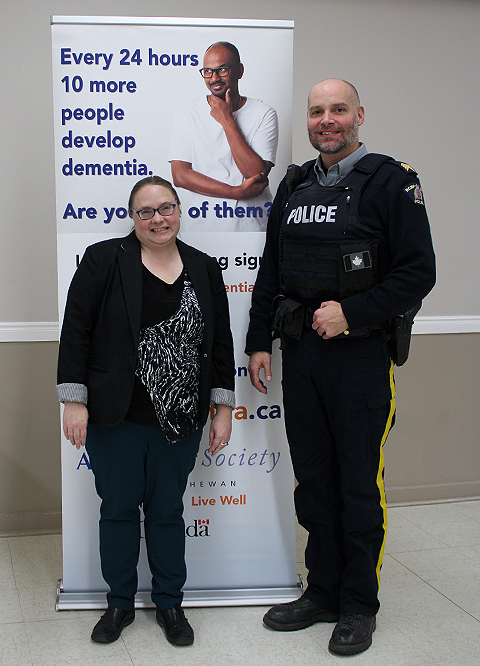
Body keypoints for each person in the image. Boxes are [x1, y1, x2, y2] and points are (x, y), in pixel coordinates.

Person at [245, 79, 435, 656]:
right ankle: (322, 589)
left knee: (357, 484)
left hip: (359, 361)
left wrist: (351, 313)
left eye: (339, 110)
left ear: (358, 115)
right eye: (317, 111)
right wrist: (259, 343)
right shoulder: (297, 183)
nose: (328, 120)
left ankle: (358, 604)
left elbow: (417, 272)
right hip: (301, 359)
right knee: (315, 481)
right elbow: (271, 271)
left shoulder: (391, 182)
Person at [57, 176, 235, 646]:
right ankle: (118, 604)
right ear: (132, 217)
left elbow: (218, 345)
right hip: (115, 417)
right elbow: (75, 330)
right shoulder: (103, 261)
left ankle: (170, 604)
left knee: (167, 512)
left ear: (179, 211)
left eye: (166, 208)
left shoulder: (204, 267)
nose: (158, 218)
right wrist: (74, 400)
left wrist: (222, 407)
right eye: (146, 211)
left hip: (180, 419)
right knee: (117, 510)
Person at [169, 41, 278, 231]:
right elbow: (180, 175)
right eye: (208, 71)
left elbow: (255, 174)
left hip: (252, 226)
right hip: (204, 227)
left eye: (222, 69)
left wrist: (227, 120)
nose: (214, 78)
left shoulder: (263, 113)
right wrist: (235, 192)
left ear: (240, 71)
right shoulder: (187, 112)